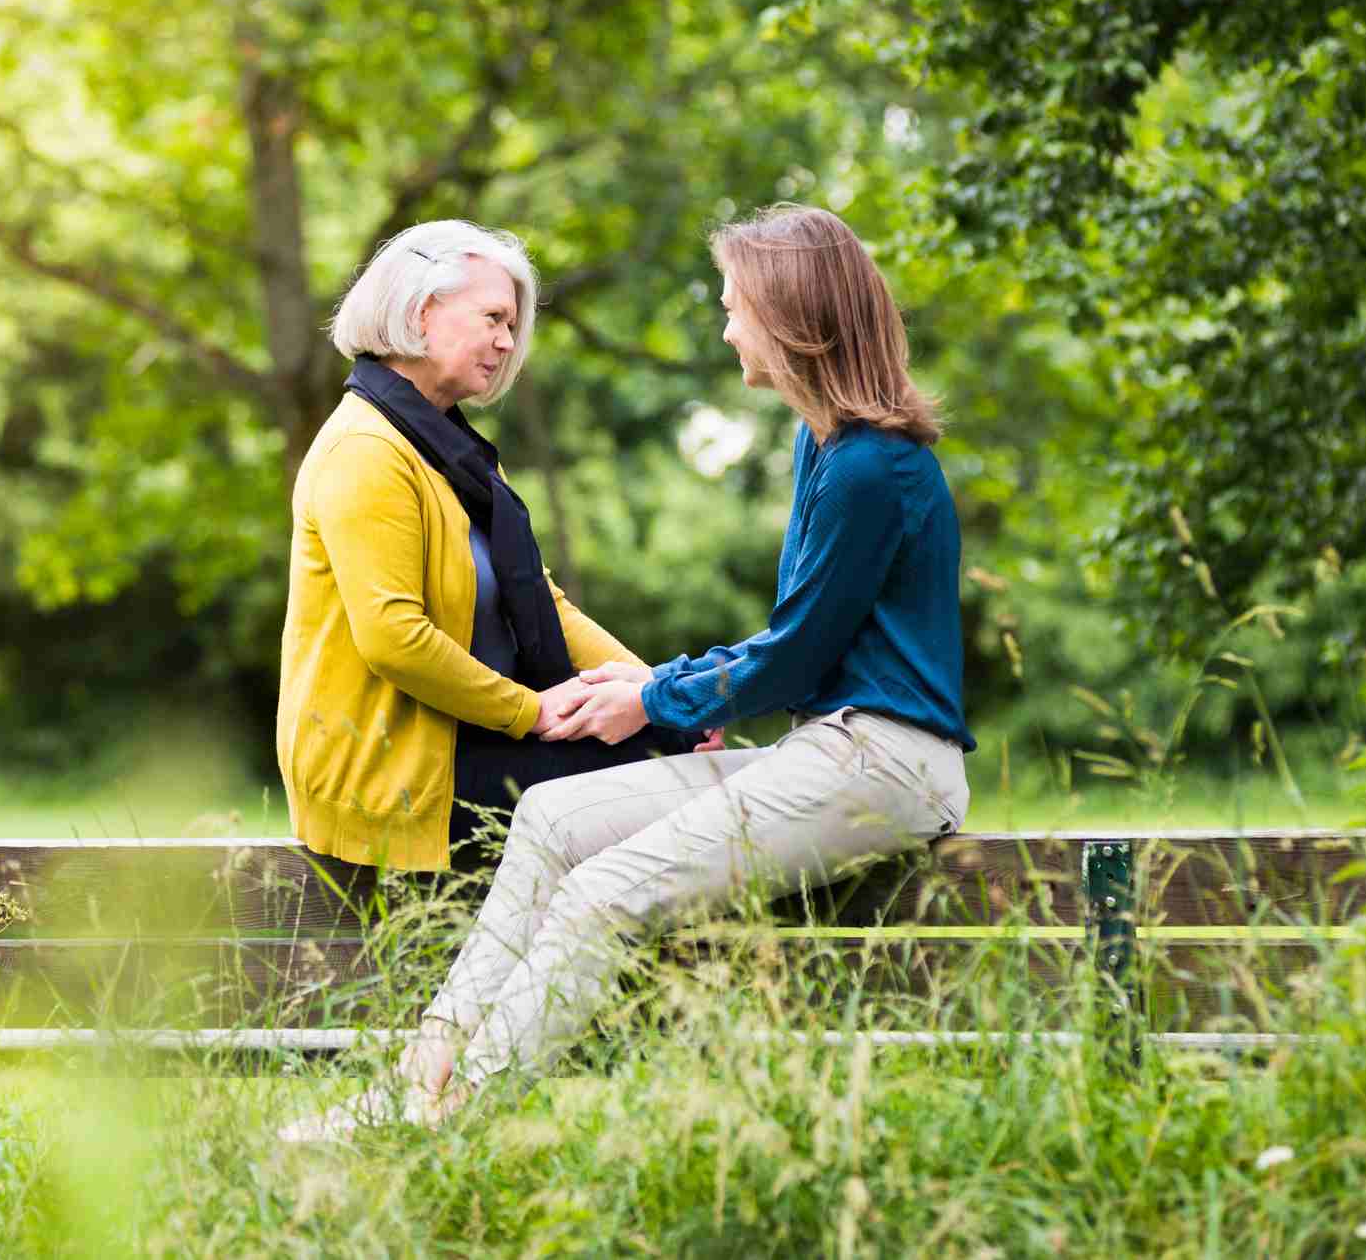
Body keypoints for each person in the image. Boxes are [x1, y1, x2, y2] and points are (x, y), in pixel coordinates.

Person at [279, 204, 973, 1140]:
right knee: (551, 816)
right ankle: (422, 1070)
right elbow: (792, 645)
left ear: (792, 318)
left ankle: (439, 1120)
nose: (726, 326)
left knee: (605, 893)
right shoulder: (826, 450)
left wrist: (656, 695)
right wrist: (664, 696)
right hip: (833, 748)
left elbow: (800, 652)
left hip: (886, 763)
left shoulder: (870, 469)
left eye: (735, 307)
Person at [277, 219, 701, 875]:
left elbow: (544, 603)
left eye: (512, 326)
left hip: (467, 738)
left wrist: (664, 693)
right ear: (422, 311)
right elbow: (394, 637)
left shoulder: (450, 451)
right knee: (667, 776)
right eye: (494, 319)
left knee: (678, 742)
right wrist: (531, 711)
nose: (507, 343)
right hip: (395, 767)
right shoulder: (367, 450)